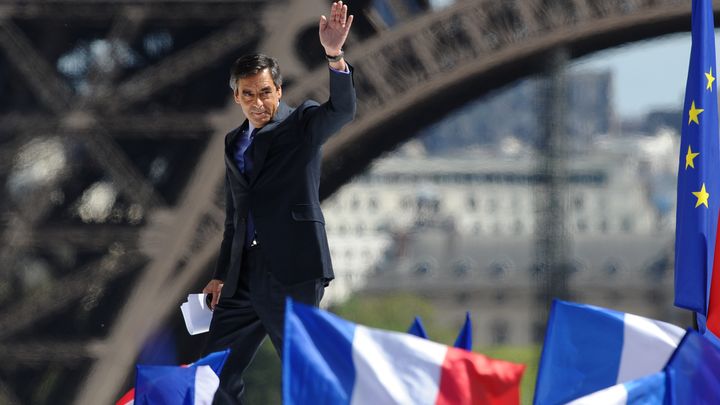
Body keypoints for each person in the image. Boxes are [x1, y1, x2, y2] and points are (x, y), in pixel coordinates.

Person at [200, 1, 355, 403]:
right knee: (213, 370)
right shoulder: (233, 142)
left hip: (292, 267)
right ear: (236, 97)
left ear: (280, 90)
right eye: (248, 94)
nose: (258, 102)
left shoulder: (302, 124)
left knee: (304, 368)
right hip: (243, 274)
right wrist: (221, 274)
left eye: (265, 92)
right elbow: (236, 216)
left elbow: (342, 110)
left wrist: (334, 56)